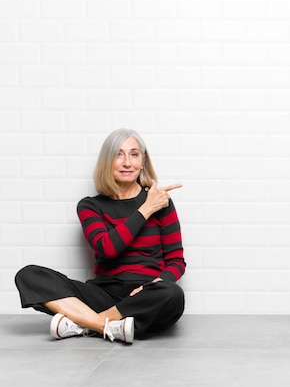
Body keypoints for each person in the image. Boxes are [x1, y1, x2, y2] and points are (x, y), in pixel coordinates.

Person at [14, 128, 186, 344]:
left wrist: (156, 284)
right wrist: (145, 209)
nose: (127, 162)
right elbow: (107, 248)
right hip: (103, 294)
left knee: (173, 295)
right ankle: (110, 326)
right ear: (107, 162)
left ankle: (84, 324)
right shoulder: (90, 206)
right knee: (28, 276)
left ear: (142, 162)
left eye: (134, 154)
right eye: (118, 154)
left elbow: (176, 261)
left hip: (146, 294)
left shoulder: (161, 203)